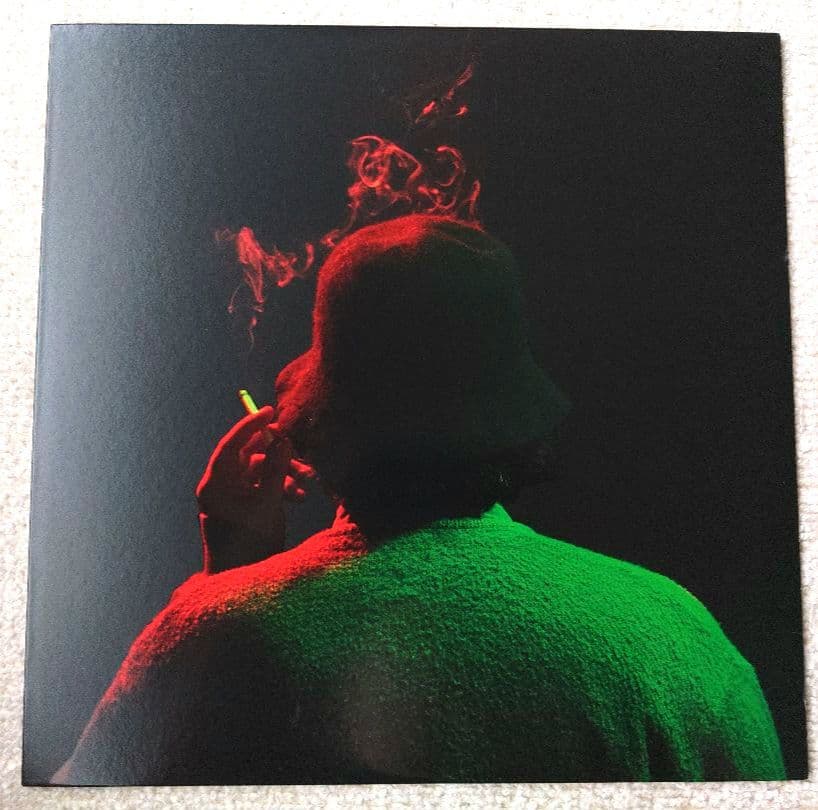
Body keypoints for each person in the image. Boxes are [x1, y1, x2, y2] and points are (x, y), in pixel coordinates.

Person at [53, 215, 786, 784]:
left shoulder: (211, 637)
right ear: (511, 415)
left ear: (320, 422)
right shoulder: (672, 636)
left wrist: (230, 583)